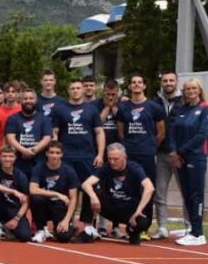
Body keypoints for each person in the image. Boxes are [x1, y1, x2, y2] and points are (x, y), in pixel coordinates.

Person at [52, 78, 105, 240]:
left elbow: (99, 132)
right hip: (67, 158)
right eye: (72, 88)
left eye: (78, 88)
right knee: (66, 191)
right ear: (68, 91)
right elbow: (55, 132)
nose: (75, 91)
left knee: (89, 191)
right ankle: (66, 222)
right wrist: (56, 153)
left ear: (83, 91)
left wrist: (100, 154)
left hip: (87, 157)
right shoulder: (60, 109)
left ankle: (88, 226)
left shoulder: (92, 110)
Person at [117, 73, 165, 233]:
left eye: (139, 82)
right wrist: (130, 146)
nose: (136, 85)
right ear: (129, 86)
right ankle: (130, 224)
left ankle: (144, 226)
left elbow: (161, 133)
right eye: (133, 82)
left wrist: (149, 145)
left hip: (147, 154)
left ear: (144, 86)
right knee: (130, 189)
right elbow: (121, 132)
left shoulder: (154, 107)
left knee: (147, 189)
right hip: (129, 154)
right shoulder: (123, 107)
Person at [82, 143, 154, 245]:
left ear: (124, 157)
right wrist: (94, 197)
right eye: (110, 158)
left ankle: (132, 232)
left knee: (143, 222)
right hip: (111, 206)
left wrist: (139, 210)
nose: (112, 162)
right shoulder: (106, 167)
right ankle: (88, 229)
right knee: (89, 191)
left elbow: (149, 188)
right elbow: (86, 184)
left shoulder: (134, 168)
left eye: (116, 159)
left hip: (129, 209)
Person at [170, 77, 208, 246]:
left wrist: (181, 152)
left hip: (196, 156)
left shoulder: (206, 109)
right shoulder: (182, 109)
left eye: (194, 88)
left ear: (199, 90)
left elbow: (201, 135)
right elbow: (172, 132)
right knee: (186, 194)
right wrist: (174, 152)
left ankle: (198, 233)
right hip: (180, 157)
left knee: (196, 195)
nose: (191, 91)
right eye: (188, 89)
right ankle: (191, 228)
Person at [153, 70, 185, 239]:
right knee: (160, 193)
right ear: (162, 83)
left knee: (185, 192)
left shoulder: (185, 99)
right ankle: (162, 227)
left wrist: (181, 151)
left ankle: (190, 227)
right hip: (161, 154)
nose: (168, 83)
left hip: (180, 155)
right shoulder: (155, 101)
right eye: (165, 81)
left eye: (171, 80)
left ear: (176, 81)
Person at [29, 142, 79, 243]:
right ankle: (41, 230)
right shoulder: (39, 168)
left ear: (62, 154)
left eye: (57, 153)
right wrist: (57, 194)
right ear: (46, 153)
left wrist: (66, 220)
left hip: (59, 206)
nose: (54, 156)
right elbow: (32, 189)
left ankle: (69, 227)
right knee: (36, 199)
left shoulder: (69, 171)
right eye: (51, 152)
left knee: (63, 237)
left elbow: (73, 198)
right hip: (44, 205)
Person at [0, 145, 32, 243]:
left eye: (10, 156)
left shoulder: (21, 176)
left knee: (25, 236)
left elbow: (26, 201)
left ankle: (4, 227)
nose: (7, 159)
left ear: (15, 158)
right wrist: (13, 191)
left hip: (12, 208)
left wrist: (17, 218)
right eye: (4, 156)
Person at [4, 89, 53, 177]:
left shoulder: (44, 119)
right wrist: (24, 151)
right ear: (21, 100)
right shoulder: (13, 118)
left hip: (39, 161)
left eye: (31, 98)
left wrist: (33, 151)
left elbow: (47, 138)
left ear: (36, 100)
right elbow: (10, 138)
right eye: (25, 98)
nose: (28, 101)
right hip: (18, 161)